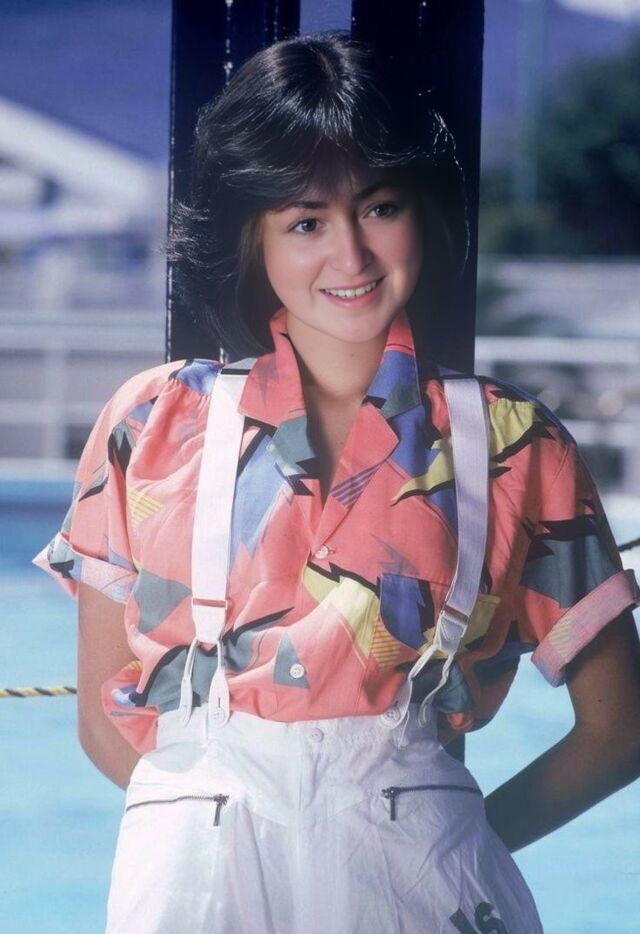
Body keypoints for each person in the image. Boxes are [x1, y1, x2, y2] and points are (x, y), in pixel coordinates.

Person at [34, 32, 640, 934]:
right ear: (254, 236)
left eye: (380, 207)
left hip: (425, 875)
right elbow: (100, 719)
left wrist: (459, 844)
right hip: (192, 872)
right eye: (305, 221)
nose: (351, 256)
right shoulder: (150, 422)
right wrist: (198, 826)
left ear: (421, 211)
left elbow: (621, 730)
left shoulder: (516, 442)